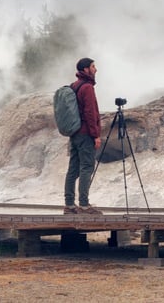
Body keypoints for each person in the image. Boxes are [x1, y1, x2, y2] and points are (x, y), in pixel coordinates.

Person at [64, 57, 103, 214]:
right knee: (87, 167)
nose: (95, 69)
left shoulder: (74, 86)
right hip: (86, 133)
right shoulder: (87, 87)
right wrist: (96, 135)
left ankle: (69, 204)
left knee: (73, 169)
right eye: (93, 66)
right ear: (86, 69)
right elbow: (90, 113)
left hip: (74, 133)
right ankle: (84, 205)